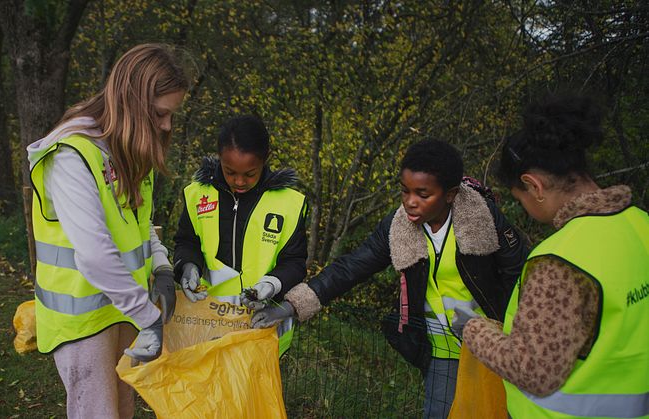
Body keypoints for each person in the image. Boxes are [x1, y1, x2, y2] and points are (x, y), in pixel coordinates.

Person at [252, 139, 528, 418]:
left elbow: (520, 276)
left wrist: (501, 329)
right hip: (442, 351)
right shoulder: (398, 226)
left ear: (450, 194)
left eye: (423, 194)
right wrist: (291, 306)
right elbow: (352, 267)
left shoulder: (483, 219)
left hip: (493, 344)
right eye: (404, 191)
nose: (410, 201)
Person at [26, 44, 189, 418]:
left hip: (122, 310)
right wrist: (147, 317)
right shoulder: (72, 155)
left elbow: (138, 222)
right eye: (162, 114)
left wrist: (161, 266)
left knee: (123, 407)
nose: (166, 126)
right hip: (83, 320)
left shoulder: (129, 149)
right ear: (133, 101)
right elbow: (95, 254)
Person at [462, 94, 649, 418]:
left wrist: (472, 328)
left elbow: (532, 371)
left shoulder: (559, 263)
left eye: (520, 198)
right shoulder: (639, 224)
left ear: (533, 186)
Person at [172, 114, 308, 355]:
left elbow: (295, 263)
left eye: (249, 174)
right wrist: (187, 266)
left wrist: (272, 284)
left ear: (266, 159)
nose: (239, 181)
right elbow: (186, 242)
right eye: (230, 171)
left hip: (262, 329)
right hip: (208, 324)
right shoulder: (197, 195)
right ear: (219, 158)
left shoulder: (289, 204)